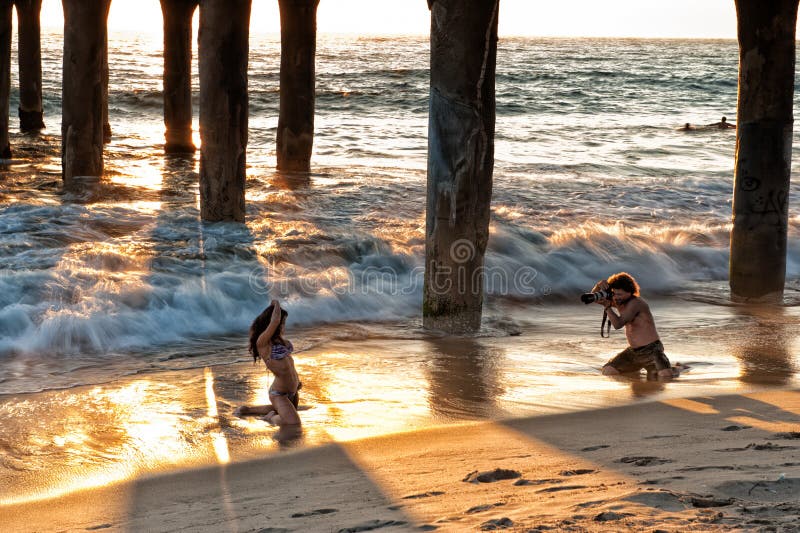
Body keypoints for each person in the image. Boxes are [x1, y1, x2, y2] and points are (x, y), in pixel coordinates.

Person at [590, 272, 675, 380]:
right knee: (608, 371)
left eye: (619, 294)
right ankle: (637, 368)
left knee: (665, 377)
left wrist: (607, 307)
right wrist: (598, 286)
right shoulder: (618, 300)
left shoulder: (636, 303)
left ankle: (676, 369)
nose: (616, 298)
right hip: (634, 352)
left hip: (652, 350)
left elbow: (618, 324)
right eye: (614, 294)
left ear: (630, 292)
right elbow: (594, 298)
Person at [235, 300, 301, 425]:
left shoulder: (280, 341)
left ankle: (248, 410)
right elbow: (275, 320)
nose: (282, 326)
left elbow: (289, 365)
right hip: (279, 394)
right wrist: (276, 303)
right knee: (293, 423)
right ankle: (270, 418)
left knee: (287, 411)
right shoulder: (263, 343)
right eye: (282, 323)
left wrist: (297, 381)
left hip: (293, 392)